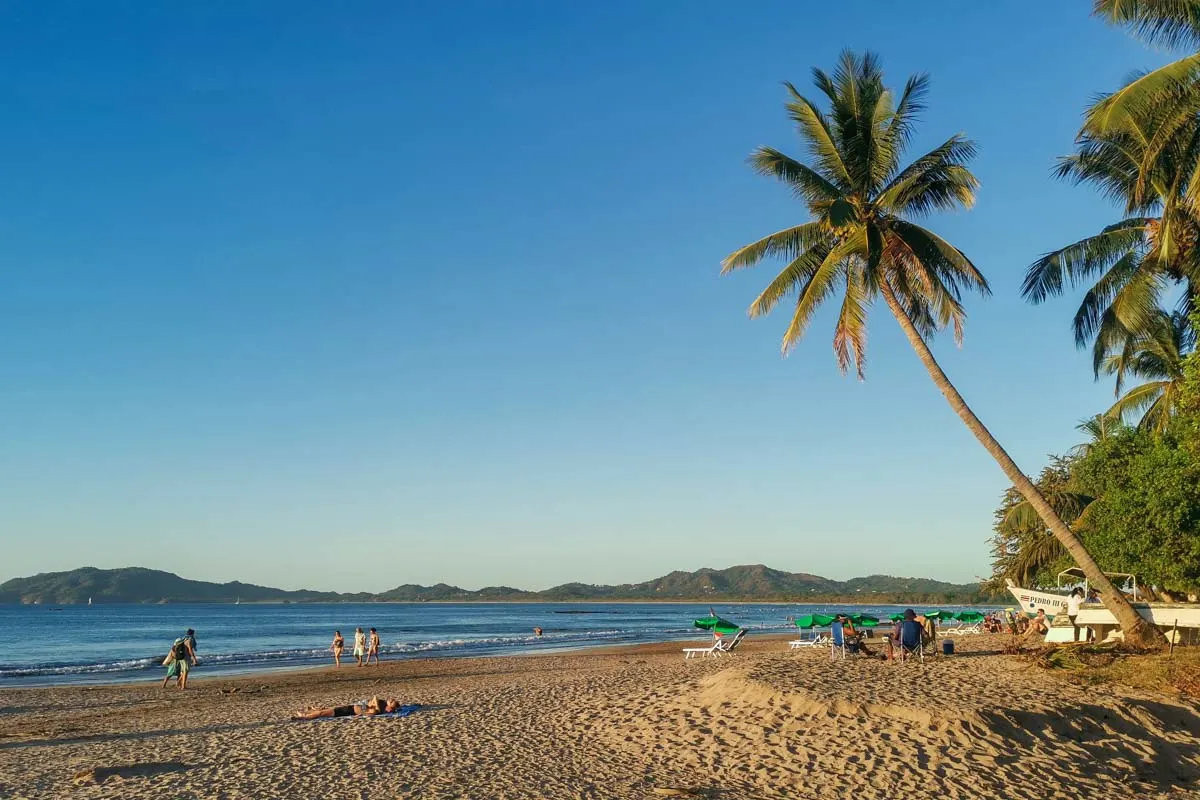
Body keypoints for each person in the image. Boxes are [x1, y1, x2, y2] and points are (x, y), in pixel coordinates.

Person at [293, 696, 401, 720]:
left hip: (347, 711)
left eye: (390, 707)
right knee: (324, 711)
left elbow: (365, 711)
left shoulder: (376, 711)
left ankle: (304, 717)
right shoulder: (380, 707)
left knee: (323, 713)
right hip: (350, 708)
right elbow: (373, 700)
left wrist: (369, 706)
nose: (389, 708)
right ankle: (307, 713)